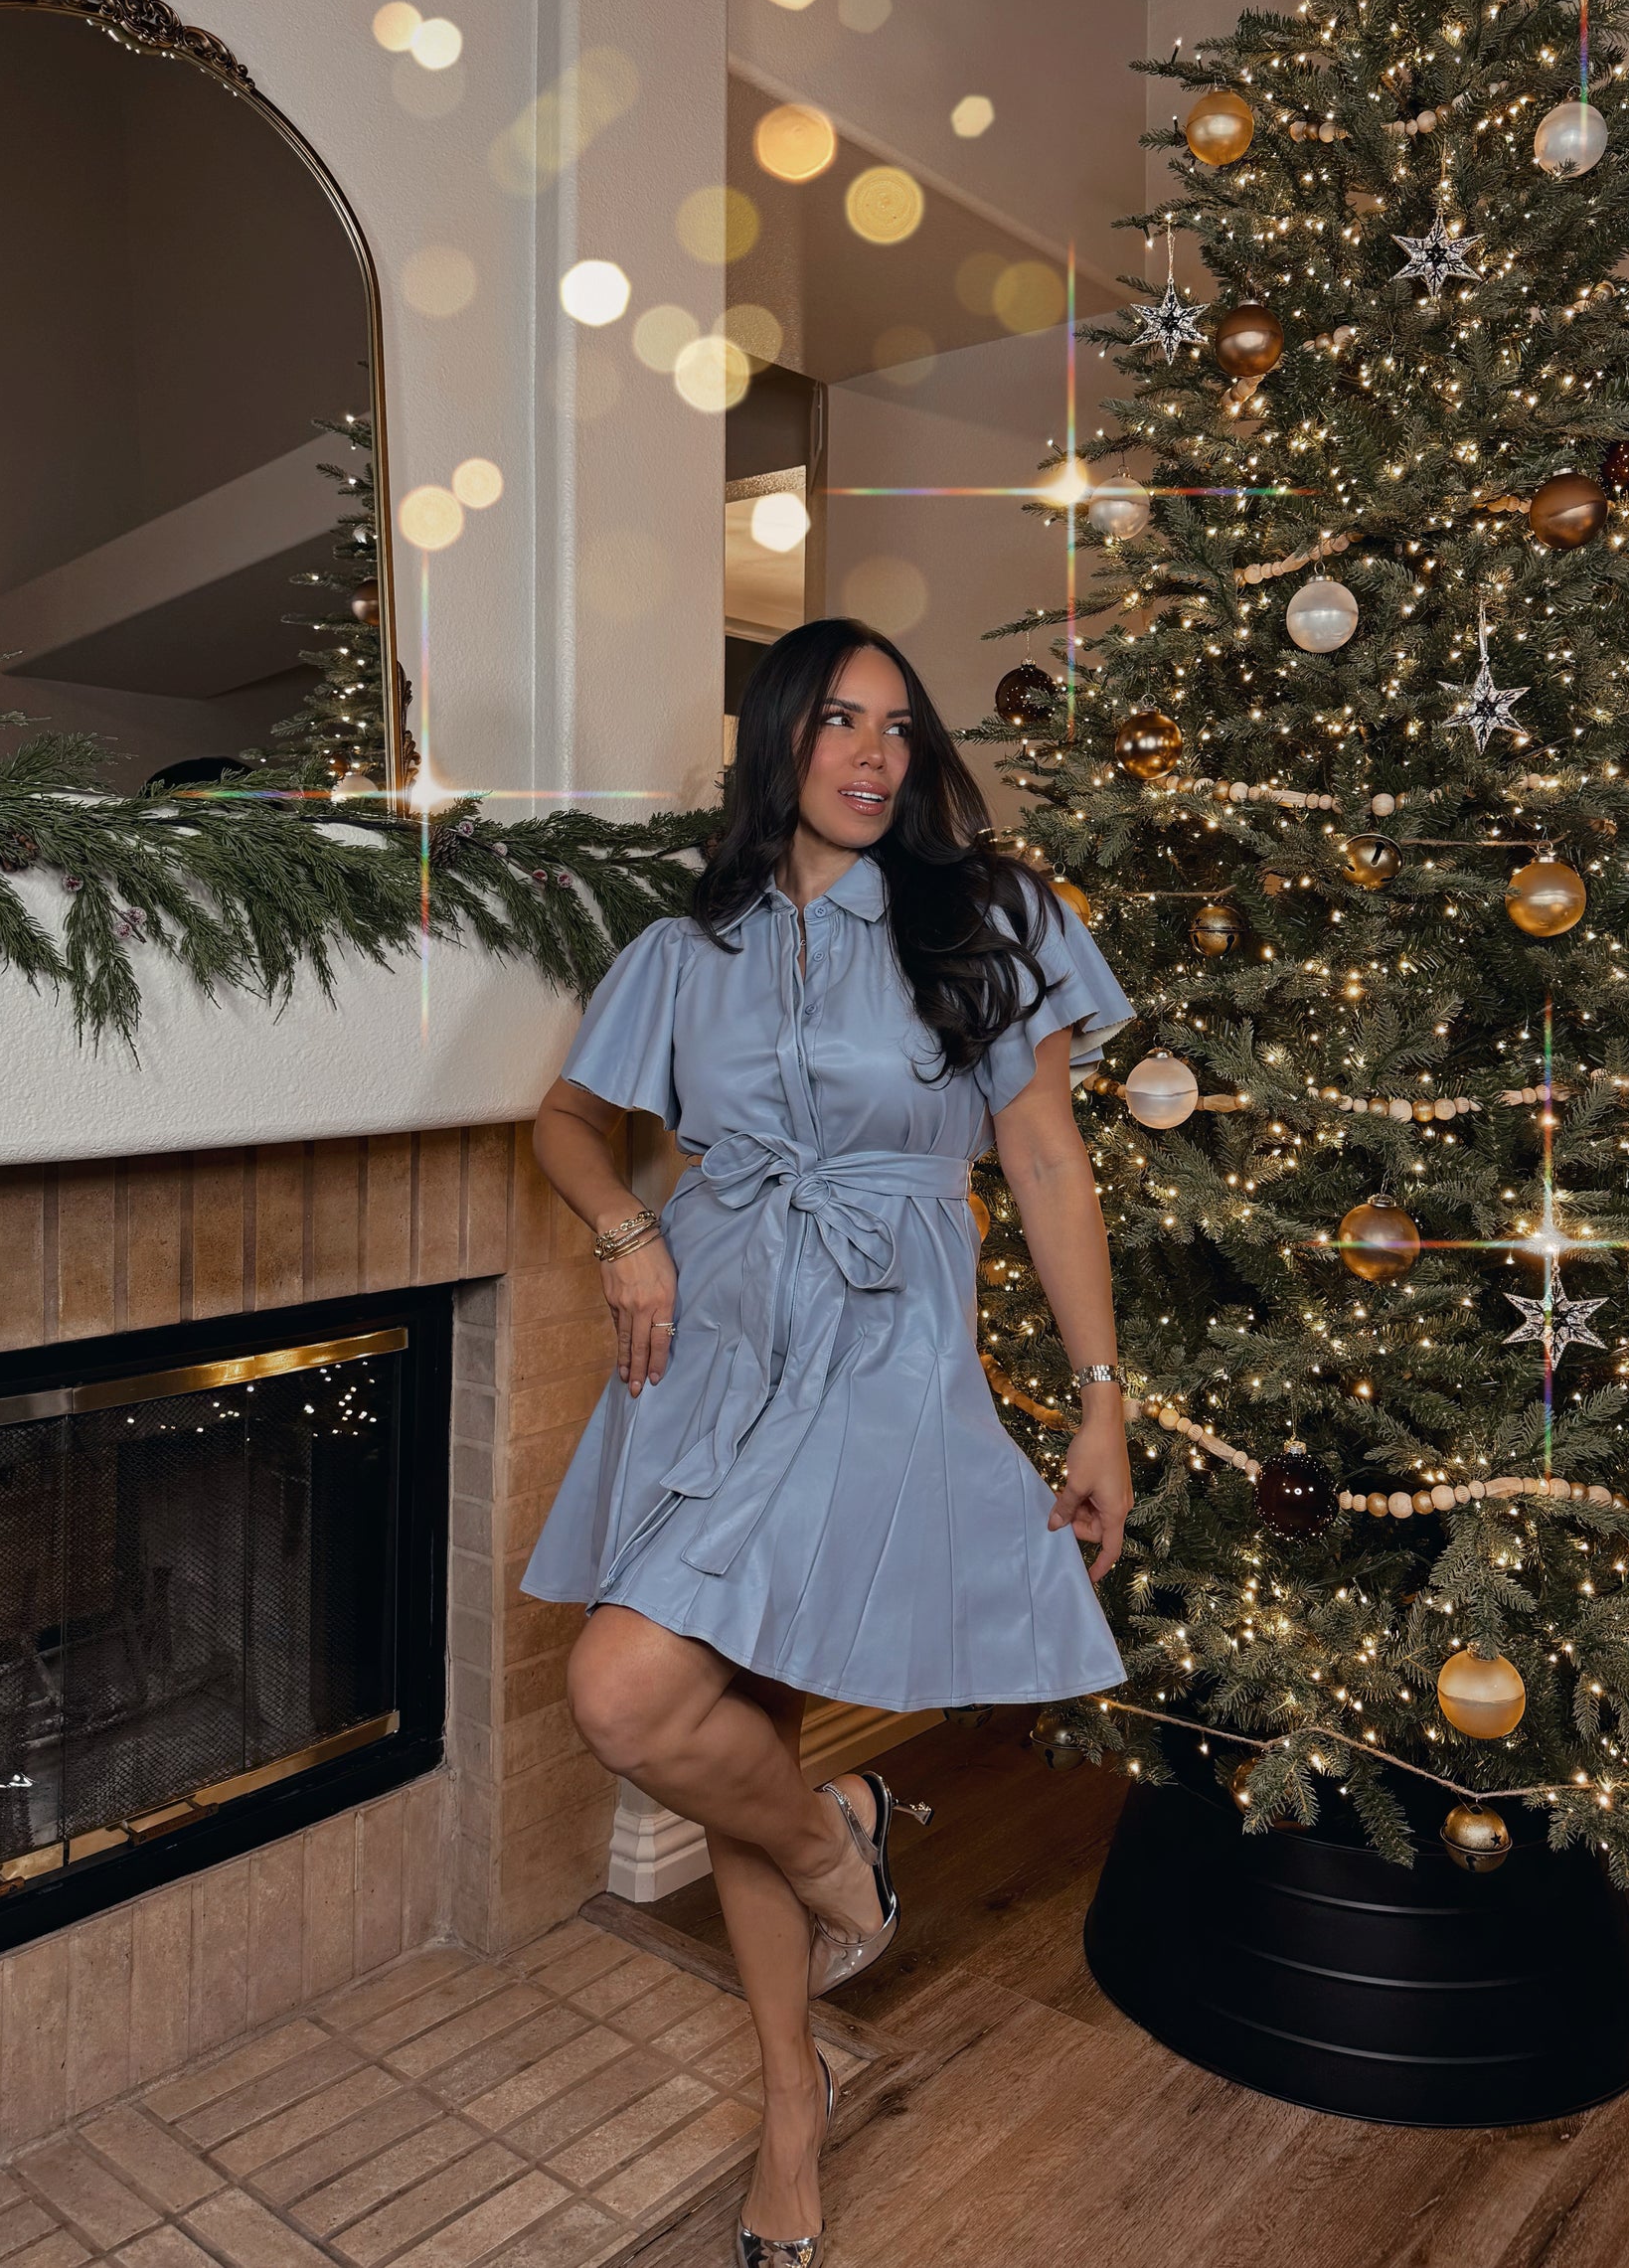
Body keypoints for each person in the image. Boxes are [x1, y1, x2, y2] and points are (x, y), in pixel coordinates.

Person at [524, 616, 1134, 2265]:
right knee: (731, 1718)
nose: (873, 753)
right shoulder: (685, 949)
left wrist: (1098, 1398)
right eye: (838, 722)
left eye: (897, 725)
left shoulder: (992, 918)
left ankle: (831, 1853)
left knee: (624, 1692)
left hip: (875, 1352)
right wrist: (622, 1232)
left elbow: (1046, 1162)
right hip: (706, 1348)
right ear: (778, 742)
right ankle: (792, 2085)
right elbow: (566, 1124)